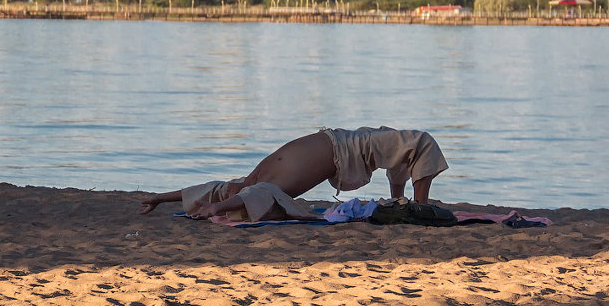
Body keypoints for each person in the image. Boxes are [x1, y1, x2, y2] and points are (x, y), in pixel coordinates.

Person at [138, 126, 449, 220]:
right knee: (420, 142)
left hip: (344, 140)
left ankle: (408, 201)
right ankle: (417, 205)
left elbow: (208, 189)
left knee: (412, 145)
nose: (229, 191)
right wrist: (215, 209)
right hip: (347, 148)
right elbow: (222, 199)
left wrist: (160, 198)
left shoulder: (245, 183)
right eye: (229, 198)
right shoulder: (262, 190)